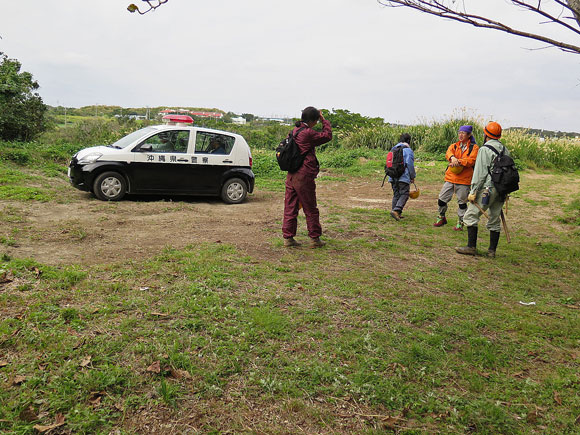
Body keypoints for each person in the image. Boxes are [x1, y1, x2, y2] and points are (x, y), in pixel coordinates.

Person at [456, 121, 508, 258]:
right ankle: (492, 251)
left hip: (488, 189)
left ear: (486, 134)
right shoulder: (504, 149)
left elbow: (480, 173)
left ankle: (471, 247)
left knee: (470, 215)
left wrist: (473, 192)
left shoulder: (485, 150)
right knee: (495, 218)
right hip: (502, 188)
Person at [282, 106, 332, 248]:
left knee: (290, 206)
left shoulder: (294, 131)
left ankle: (288, 238)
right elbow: (327, 135)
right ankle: (315, 239)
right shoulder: (308, 133)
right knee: (310, 207)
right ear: (314, 120)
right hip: (303, 176)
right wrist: (324, 120)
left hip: (291, 174)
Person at [433, 125, 479, 230]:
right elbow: (448, 153)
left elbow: (472, 160)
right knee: (441, 199)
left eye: (463, 133)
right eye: (459, 132)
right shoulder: (454, 146)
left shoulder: (474, 147)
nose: (461, 135)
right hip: (450, 177)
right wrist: (452, 157)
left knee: (462, 203)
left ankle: (461, 222)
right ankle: (441, 217)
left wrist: (458, 161)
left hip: (464, 179)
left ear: (469, 135)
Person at [388, 133, 416, 221]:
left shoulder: (393, 148)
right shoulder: (408, 150)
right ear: (409, 141)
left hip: (392, 176)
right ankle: (396, 210)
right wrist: (412, 176)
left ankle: (395, 212)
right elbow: (410, 165)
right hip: (403, 177)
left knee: (396, 194)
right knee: (404, 194)